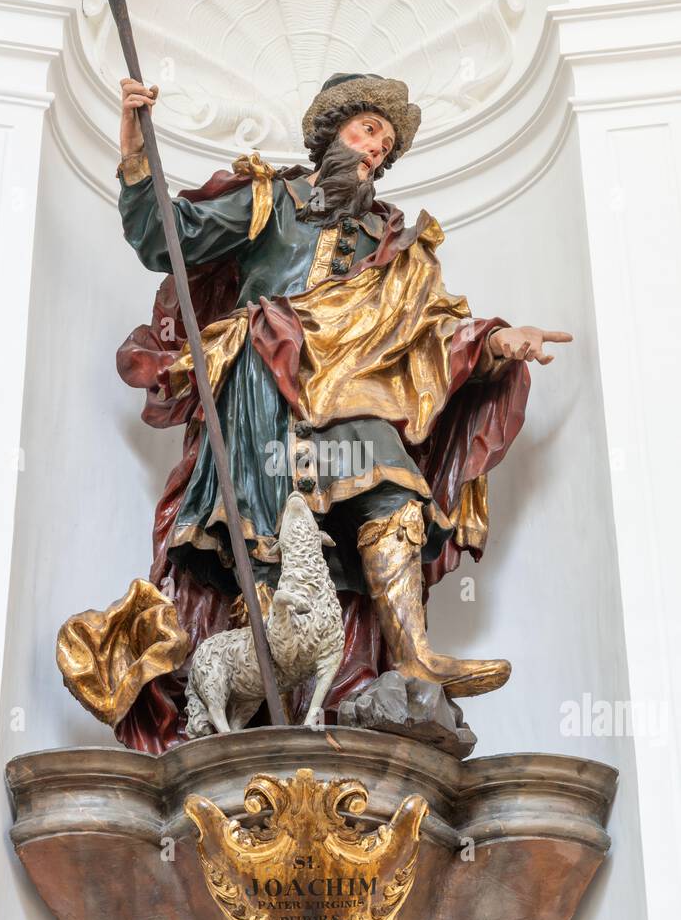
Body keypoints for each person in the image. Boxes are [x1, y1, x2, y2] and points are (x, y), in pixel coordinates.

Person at [110, 71, 571, 748]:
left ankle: (411, 651)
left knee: (390, 487)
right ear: (330, 132)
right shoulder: (269, 199)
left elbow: (431, 335)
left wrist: (499, 341)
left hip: (355, 394)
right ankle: (255, 696)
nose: (374, 151)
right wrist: (133, 145)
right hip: (266, 377)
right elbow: (166, 241)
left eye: (385, 144)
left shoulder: (396, 249)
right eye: (366, 131)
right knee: (268, 531)